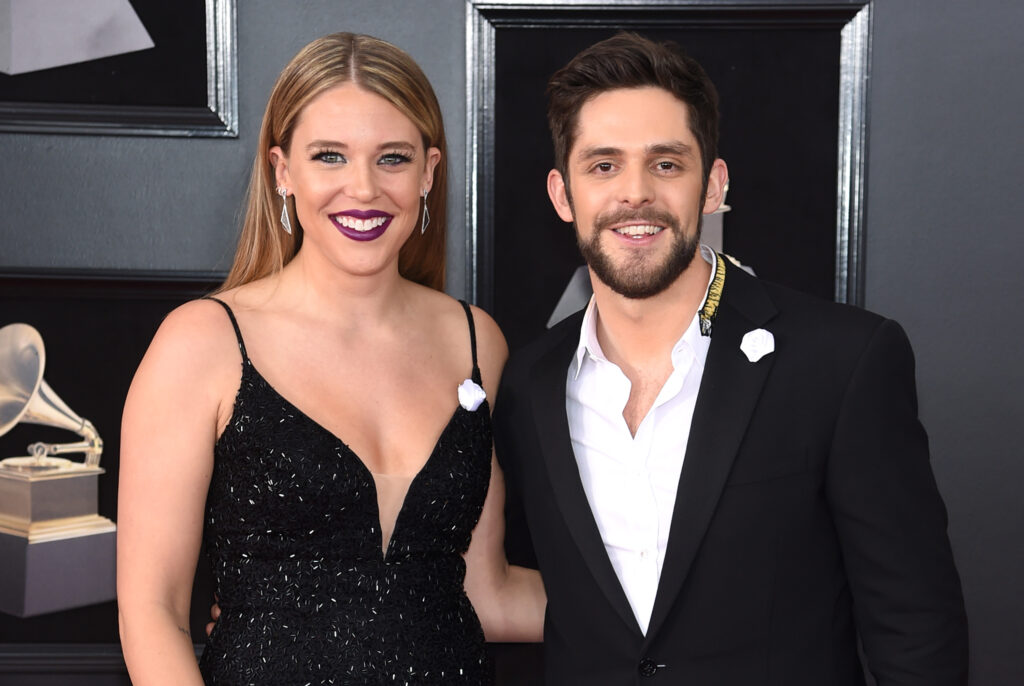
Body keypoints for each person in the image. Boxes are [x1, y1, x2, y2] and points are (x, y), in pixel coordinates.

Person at [494, 33, 968, 685]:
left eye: (666, 164)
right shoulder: (529, 382)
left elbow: (915, 632)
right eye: (603, 165)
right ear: (562, 193)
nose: (635, 193)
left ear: (712, 186)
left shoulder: (843, 362)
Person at [117, 33, 544, 686]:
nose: (363, 188)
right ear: (283, 171)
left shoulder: (475, 341)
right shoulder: (202, 343)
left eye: (392, 158)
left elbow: (487, 593)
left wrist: (697, 602)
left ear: (429, 171)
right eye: (330, 157)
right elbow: (153, 615)